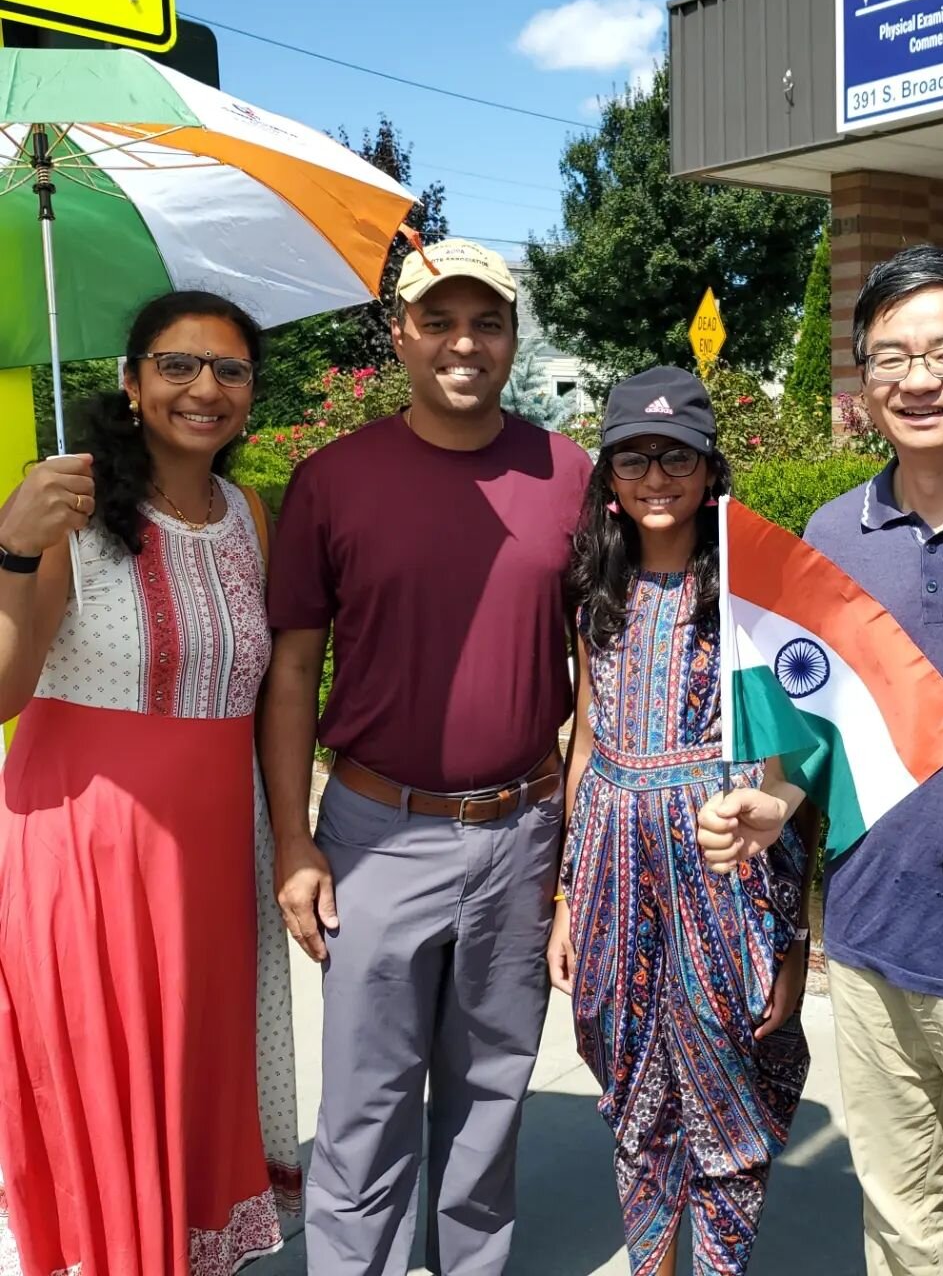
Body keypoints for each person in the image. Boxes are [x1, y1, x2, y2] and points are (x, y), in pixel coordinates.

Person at [704, 244, 943, 1276]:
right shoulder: (832, 534)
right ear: (863, 380)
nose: (917, 379)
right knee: (903, 1229)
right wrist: (771, 801)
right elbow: (812, 742)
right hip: (869, 949)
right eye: (890, 357)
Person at [261, 237, 592, 1275]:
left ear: (511, 337)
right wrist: (292, 844)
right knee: (364, 1112)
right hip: (374, 833)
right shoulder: (332, 480)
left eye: (486, 322)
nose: (463, 342)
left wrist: (575, 858)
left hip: (524, 832)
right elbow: (291, 671)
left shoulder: (568, 472)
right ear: (398, 333)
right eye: (438, 320)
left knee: (490, 1105)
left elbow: (599, 673)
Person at [0, 292, 301, 1275]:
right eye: (176, 365)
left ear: (251, 396)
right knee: (104, 1079)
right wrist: (11, 545)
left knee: (189, 1075)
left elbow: (268, 695)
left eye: (229, 370)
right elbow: (4, 690)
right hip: (90, 845)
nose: (203, 388)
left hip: (218, 852)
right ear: (130, 383)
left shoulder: (250, 514)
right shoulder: (66, 509)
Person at [546, 366, 814, 1276]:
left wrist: (789, 940)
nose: (655, 476)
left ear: (709, 472)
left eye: (676, 457)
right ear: (609, 479)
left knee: (725, 1090)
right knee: (635, 1090)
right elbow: (584, 743)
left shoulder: (749, 598)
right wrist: (568, 898)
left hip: (722, 865)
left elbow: (792, 763)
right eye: (632, 458)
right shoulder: (592, 590)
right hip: (616, 865)